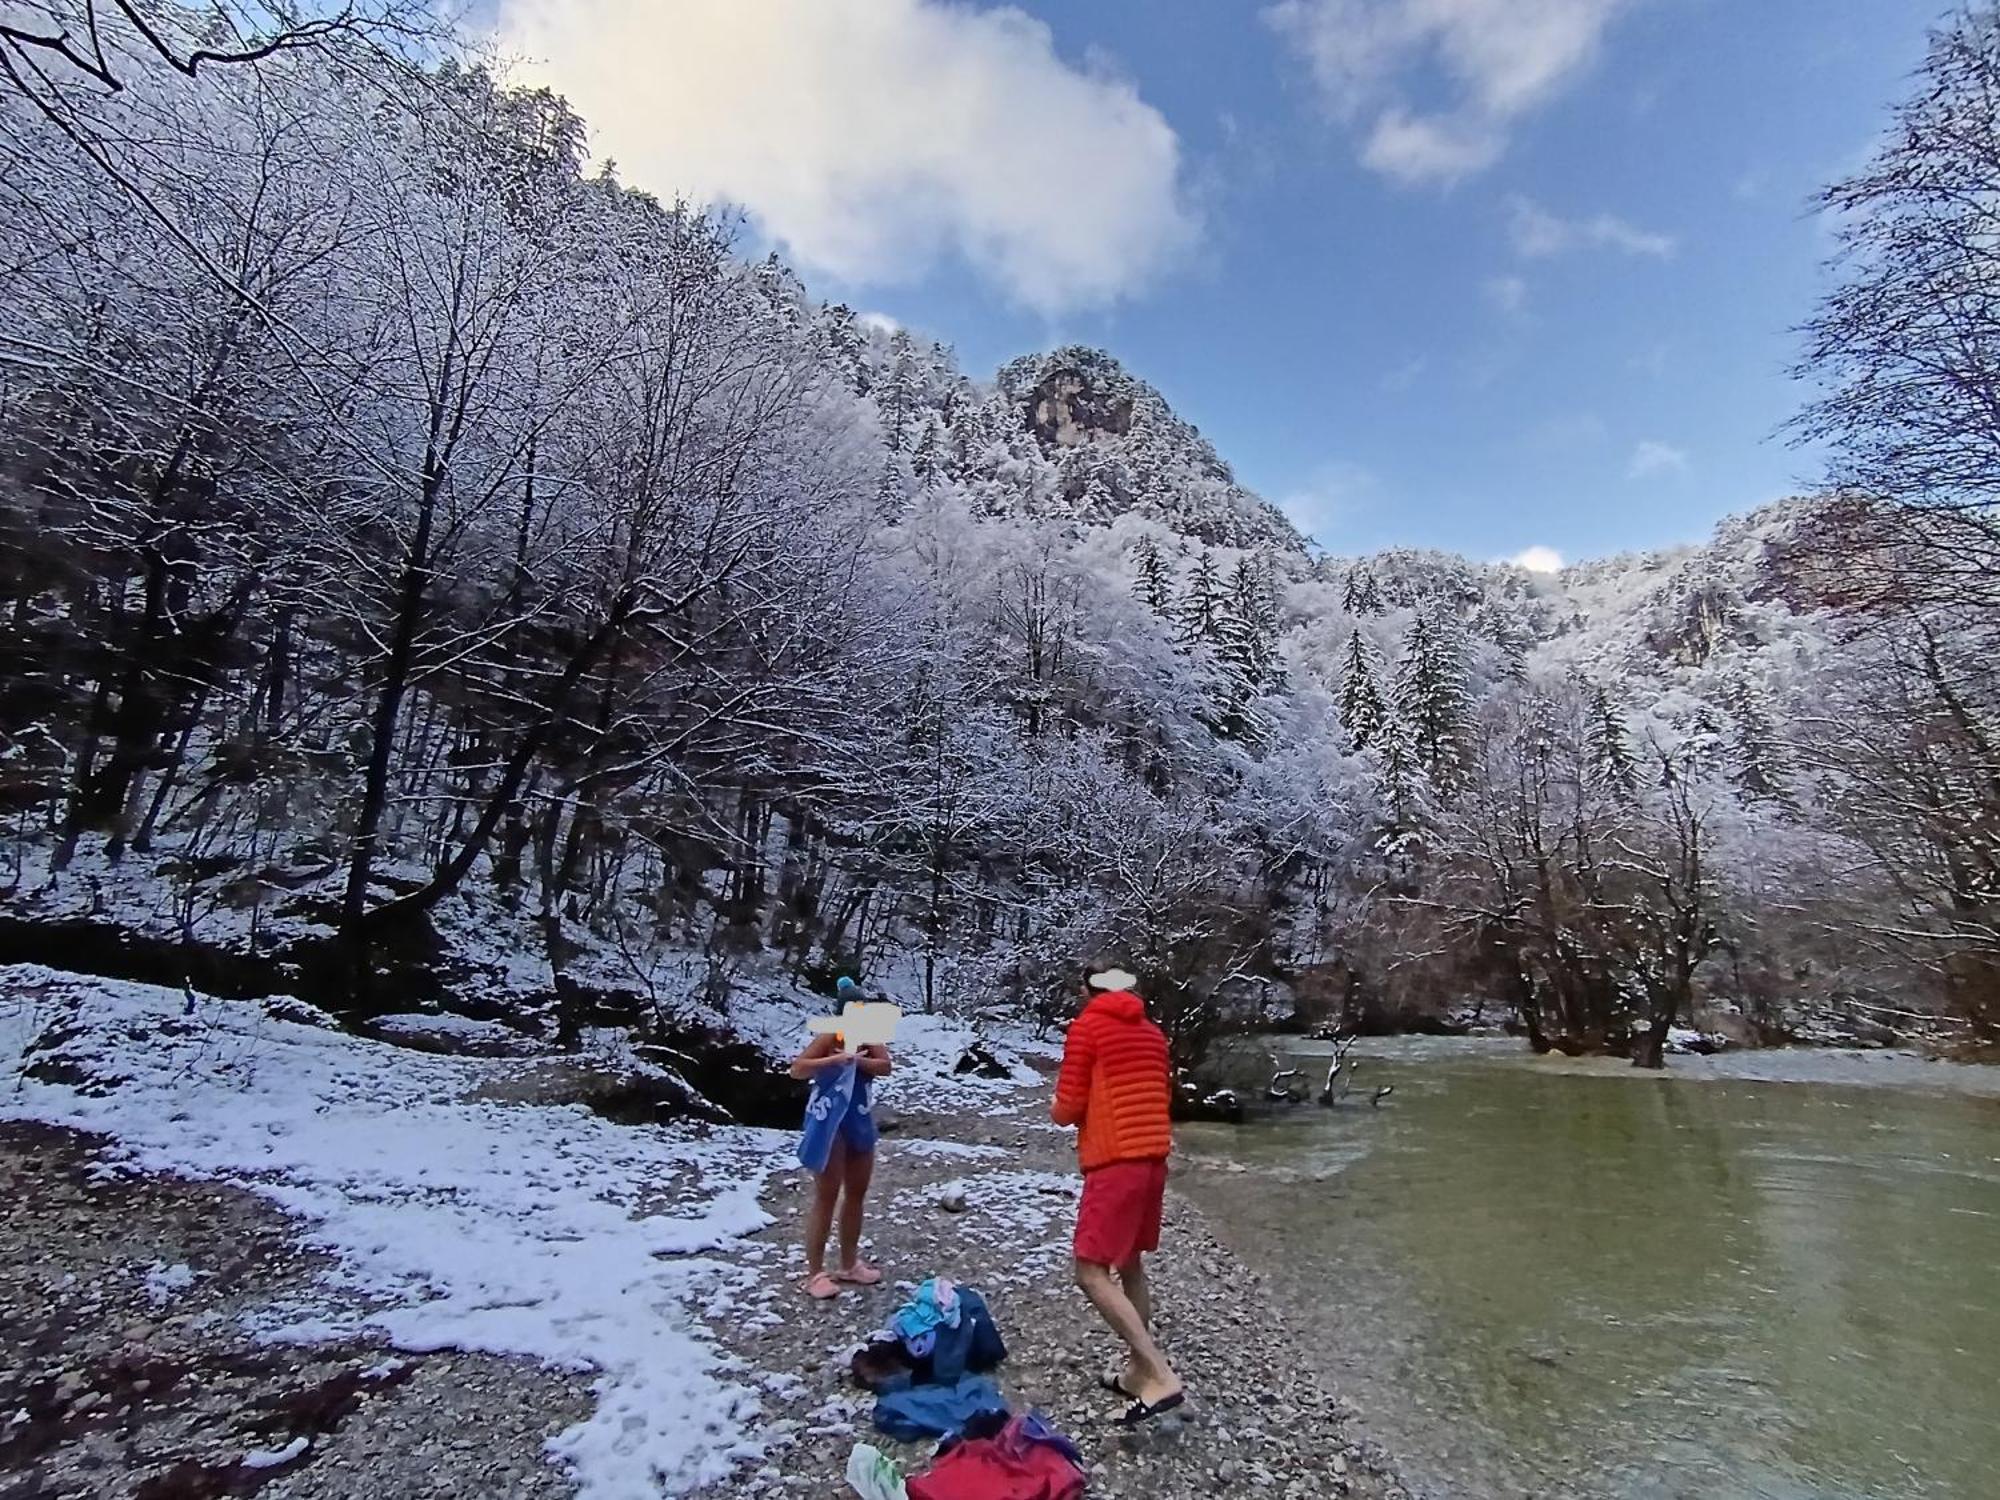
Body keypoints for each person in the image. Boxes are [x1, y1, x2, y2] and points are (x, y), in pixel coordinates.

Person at [1051, 962, 1184, 1425]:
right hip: (1153, 1160)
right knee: (1129, 1263)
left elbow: (1065, 1110)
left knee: (1089, 1270)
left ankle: (1160, 1374)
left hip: (1115, 1162)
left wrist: (1062, 1104)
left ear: (1087, 992)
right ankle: (1135, 1373)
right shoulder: (1153, 1032)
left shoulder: (1088, 1029)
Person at [790, 975, 893, 1299]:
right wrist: (834, 1059)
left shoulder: (868, 1036)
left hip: (859, 1120)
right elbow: (798, 1068)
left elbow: (885, 1065)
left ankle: (849, 1263)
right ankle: (815, 1272)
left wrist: (860, 1060)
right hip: (829, 1121)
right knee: (827, 1194)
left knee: (857, 1193)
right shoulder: (828, 1036)